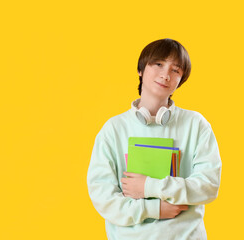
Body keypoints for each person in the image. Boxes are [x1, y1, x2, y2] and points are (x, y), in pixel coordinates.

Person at [87, 38, 222, 240]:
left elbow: (208, 186)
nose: (165, 75)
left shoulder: (196, 124)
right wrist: (155, 209)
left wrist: (149, 186)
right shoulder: (113, 129)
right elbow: (103, 198)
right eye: (158, 64)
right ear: (141, 69)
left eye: (175, 70)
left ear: (181, 80)